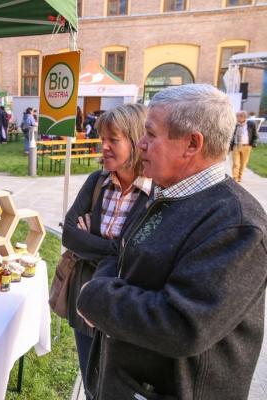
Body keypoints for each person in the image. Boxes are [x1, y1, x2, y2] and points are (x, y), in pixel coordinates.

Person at [77, 84, 267, 399]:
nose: (140, 144)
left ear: (192, 144)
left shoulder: (237, 225)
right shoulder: (168, 194)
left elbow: (182, 325)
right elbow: (120, 255)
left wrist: (96, 297)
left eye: (151, 134)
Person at [62, 103, 152, 395]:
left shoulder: (155, 194)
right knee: (90, 383)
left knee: (116, 389)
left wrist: (99, 243)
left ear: (137, 139)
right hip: (85, 295)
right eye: (102, 139)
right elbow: (69, 234)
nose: (104, 147)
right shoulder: (97, 182)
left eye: (113, 140)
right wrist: (115, 248)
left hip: (122, 307)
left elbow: (140, 254)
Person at [230, 110, 258, 182]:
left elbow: (255, 135)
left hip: (246, 146)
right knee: (236, 163)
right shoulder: (235, 125)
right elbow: (231, 136)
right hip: (236, 146)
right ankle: (235, 178)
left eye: (237, 116)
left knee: (243, 163)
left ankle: (240, 176)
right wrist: (230, 146)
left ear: (243, 117)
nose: (236, 118)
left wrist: (253, 144)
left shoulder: (251, 124)